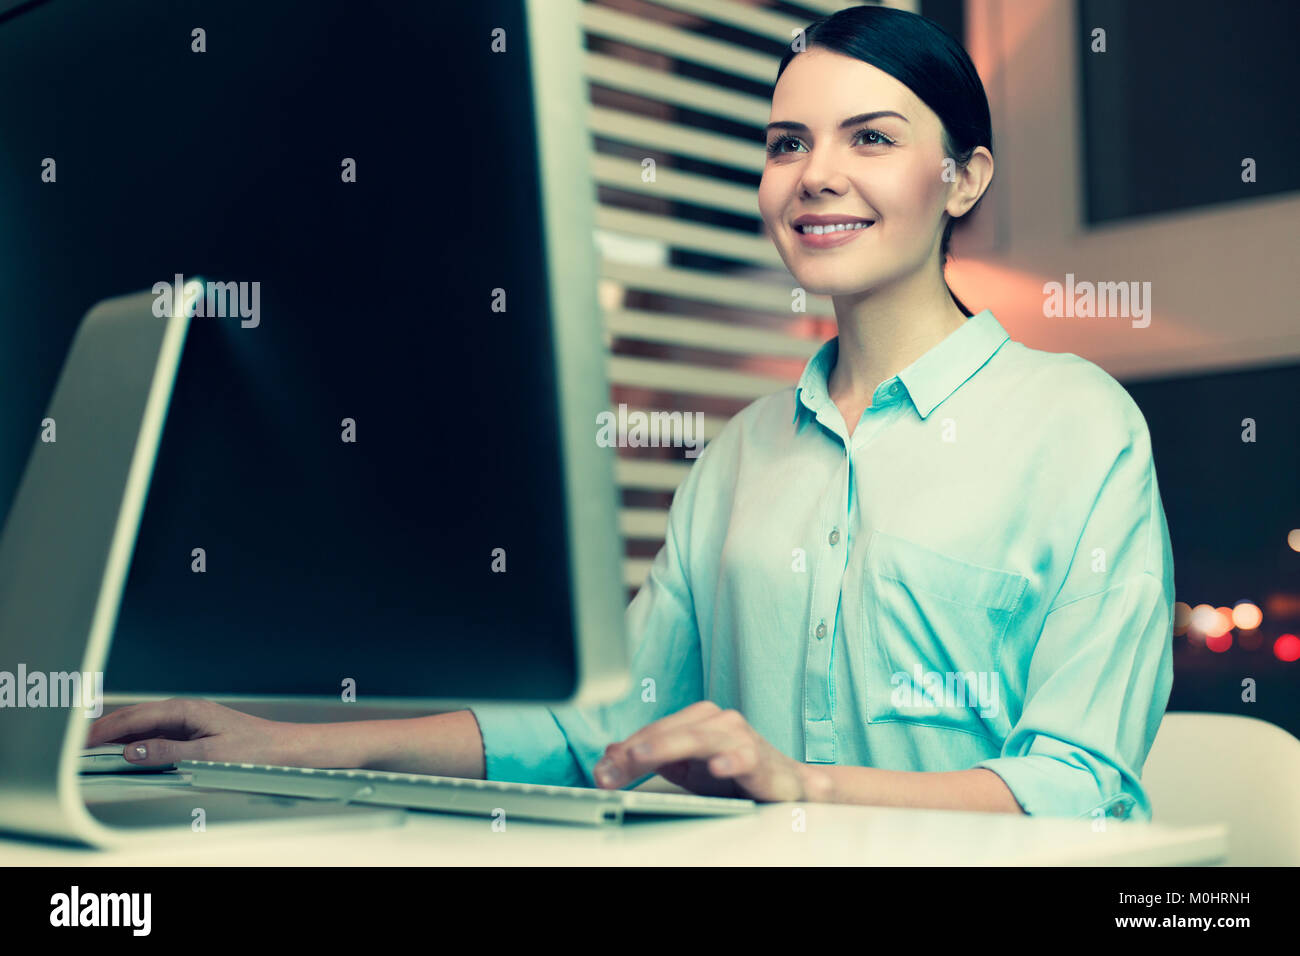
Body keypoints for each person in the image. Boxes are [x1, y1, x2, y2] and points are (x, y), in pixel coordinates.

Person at [87, 6, 1173, 820]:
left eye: (871, 139)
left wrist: (804, 785)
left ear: (963, 177)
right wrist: (278, 742)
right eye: (787, 142)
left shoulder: (1080, 426)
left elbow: (1075, 782)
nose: (813, 176)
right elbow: (602, 726)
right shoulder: (740, 452)